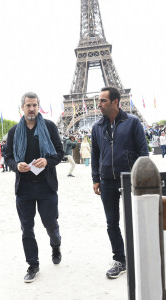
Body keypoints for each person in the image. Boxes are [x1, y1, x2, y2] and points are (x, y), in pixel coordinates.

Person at [5, 92, 64, 283]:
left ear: (39, 107)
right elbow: (7, 157)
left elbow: (60, 153)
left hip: (46, 187)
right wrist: (16, 166)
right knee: (27, 229)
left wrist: (47, 161)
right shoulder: (14, 131)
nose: (32, 109)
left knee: (50, 225)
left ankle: (56, 245)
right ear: (22, 107)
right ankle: (33, 264)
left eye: (35, 105)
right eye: (28, 105)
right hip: (24, 189)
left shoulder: (49, 126)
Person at [91, 86, 149, 279]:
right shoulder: (97, 127)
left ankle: (140, 257)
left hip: (131, 179)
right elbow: (95, 155)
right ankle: (120, 260)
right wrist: (95, 179)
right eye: (99, 100)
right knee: (111, 223)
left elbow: (143, 153)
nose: (99, 104)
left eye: (103, 101)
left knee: (136, 220)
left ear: (115, 102)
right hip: (107, 181)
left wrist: (139, 177)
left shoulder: (133, 122)